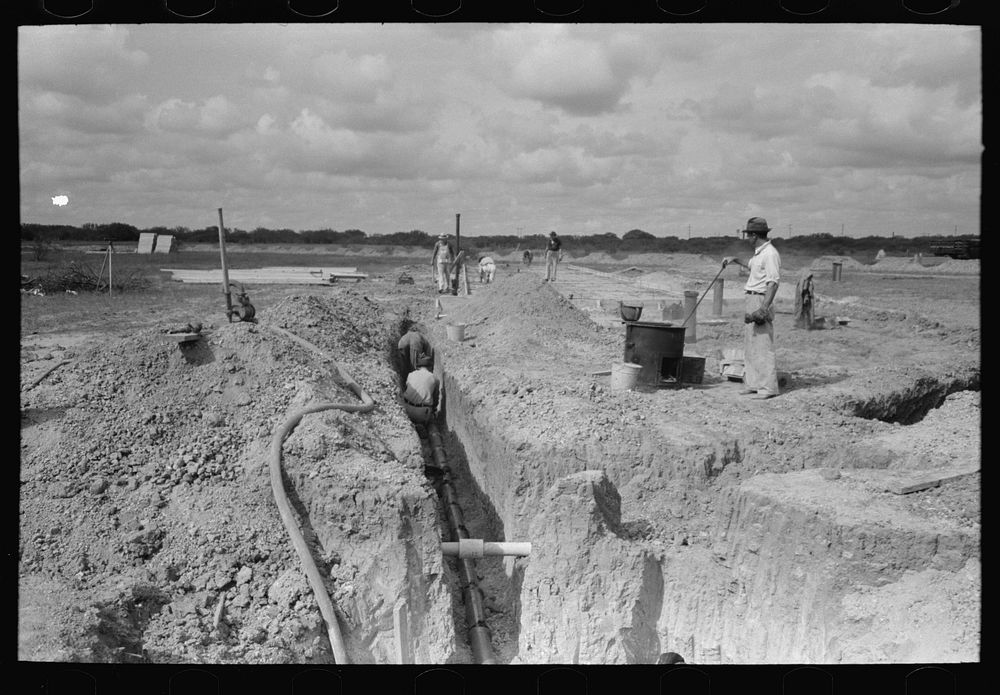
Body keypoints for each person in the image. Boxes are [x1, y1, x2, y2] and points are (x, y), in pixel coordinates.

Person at [723, 216, 781, 400]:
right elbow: (751, 266)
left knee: (763, 346)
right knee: (751, 345)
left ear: (755, 235)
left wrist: (764, 308)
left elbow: (772, 283)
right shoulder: (759, 253)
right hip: (751, 298)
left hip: (761, 300)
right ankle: (753, 383)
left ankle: (767, 388)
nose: (747, 238)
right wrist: (735, 260)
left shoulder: (770, 254)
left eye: (748, 235)